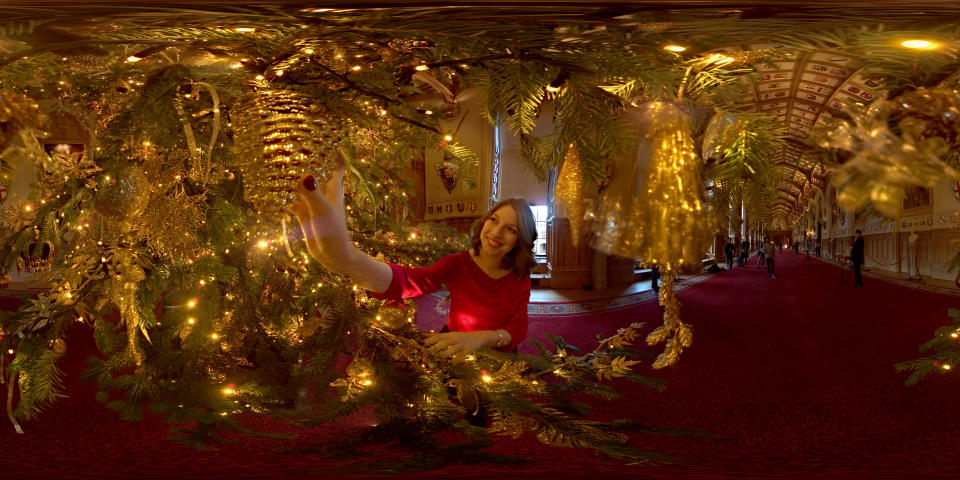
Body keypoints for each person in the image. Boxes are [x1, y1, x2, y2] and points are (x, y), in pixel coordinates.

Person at [289, 161, 537, 361]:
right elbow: (411, 281)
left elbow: (519, 327)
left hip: (497, 352)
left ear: (519, 240)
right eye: (494, 220)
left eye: (511, 229)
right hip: (451, 343)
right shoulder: (458, 264)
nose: (496, 232)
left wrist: (481, 339)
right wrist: (351, 260)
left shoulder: (519, 275)